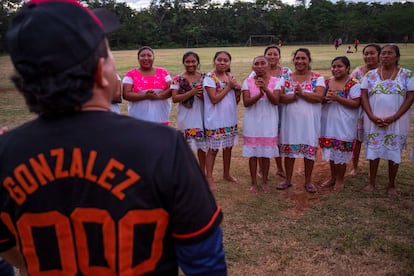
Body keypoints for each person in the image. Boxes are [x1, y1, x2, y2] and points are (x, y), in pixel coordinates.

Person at [0, 1, 227, 275]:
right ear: (100, 72)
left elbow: (8, 248)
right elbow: (205, 261)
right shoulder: (164, 146)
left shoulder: (5, 154)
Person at [361, 44, 414, 197]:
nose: (385, 56)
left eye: (389, 53)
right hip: (374, 120)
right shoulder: (370, 75)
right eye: (383, 53)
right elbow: (364, 95)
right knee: (374, 152)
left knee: (394, 151)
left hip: (397, 121)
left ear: (397, 57)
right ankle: (372, 181)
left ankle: (391, 184)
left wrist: (394, 117)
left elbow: (410, 97)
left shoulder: (406, 75)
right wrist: (371, 116)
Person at [276, 48, 325, 193]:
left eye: (303, 58)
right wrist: (294, 97)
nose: (300, 61)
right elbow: (280, 97)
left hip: (309, 122)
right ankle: (288, 180)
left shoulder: (317, 77)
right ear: (293, 60)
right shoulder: (286, 78)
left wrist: (302, 94)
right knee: (289, 151)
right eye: (297, 58)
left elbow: (319, 97)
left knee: (309, 150)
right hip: (290, 122)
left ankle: (308, 181)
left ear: (309, 61)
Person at [249, 45, 291, 178]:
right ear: (264, 56)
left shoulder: (286, 72)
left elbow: (288, 91)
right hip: (263, 109)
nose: (272, 56)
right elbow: (251, 89)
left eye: (275, 54)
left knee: (278, 138)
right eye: (269, 54)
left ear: (279, 56)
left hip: (281, 108)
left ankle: (280, 168)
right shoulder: (256, 72)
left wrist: (277, 95)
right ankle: (262, 169)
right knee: (263, 137)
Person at [319, 56, 361, 191]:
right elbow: (321, 100)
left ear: (347, 68)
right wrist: (324, 99)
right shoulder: (326, 82)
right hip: (328, 121)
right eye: (334, 66)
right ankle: (332, 177)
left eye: (339, 66)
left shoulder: (353, 83)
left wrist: (337, 98)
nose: (336, 69)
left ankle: (340, 179)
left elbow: (356, 103)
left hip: (345, 123)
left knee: (341, 150)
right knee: (331, 150)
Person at [203, 50, 241, 191]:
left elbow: (235, 100)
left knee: (228, 147)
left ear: (229, 63)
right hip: (215, 119)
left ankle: (226, 174)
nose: (222, 62)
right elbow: (214, 99)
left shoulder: (230, 76)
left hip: (229, 118)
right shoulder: (209, 77)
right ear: (214, 61)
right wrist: (230, 87)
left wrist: (237, 90)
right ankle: (209, 178)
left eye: (226, 60)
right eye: (220, 60)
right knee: (213, 150)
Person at [242, 56, 280, 194]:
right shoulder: (247, 82)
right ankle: (253, 183)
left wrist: (266, 89)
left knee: (265, 154)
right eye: (256, 64)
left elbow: (275, 101)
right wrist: (259, 94)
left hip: (268, 122)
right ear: (253, 67)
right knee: (253, 154)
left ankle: (264, 181)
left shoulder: (277, 81)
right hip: (252, 122)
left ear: (268, 65)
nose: (259, 66)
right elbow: (246, 103)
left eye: (262, 63)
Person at [171, 51, 207, 173]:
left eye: (193, 61)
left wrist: (201, 95)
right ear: (183, 63)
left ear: (198, 62)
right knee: (186, 146)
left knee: (202, 147)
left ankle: (202, 172)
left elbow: (209, 98)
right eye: (187, 61)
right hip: (186, 116)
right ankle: (187, 173)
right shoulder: (178, 79)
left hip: (201, 115)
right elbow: (175, 99)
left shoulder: (205, 77)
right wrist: (191, 93)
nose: (190, 64)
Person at [349, 43, 381, 176]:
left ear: (379, 55)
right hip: (359, 112)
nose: (368, 56)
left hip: (378, 111)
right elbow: (349, 88)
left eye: (372, 53)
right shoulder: (357, 72)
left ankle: (372, 169)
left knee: (375, 140)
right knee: (357, 141)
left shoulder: (383, 73)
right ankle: (355, 167)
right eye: (366, 53)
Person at [123, 46, 172, 125]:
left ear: (153, 58)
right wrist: (145, 96)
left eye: (149, 55)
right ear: (138, 58)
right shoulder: (130, 74)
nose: (146, 58)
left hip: (161, 118)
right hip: (138, 120)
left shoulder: (163, 72)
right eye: (142, 56)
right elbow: (126, 94)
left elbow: (170, 90)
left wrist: (158, 96)